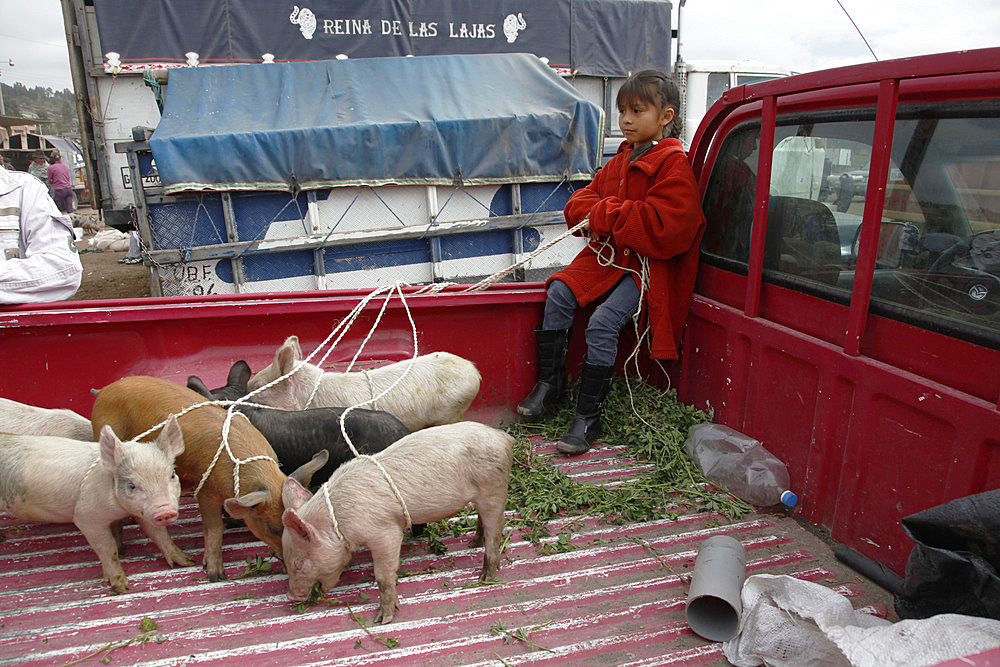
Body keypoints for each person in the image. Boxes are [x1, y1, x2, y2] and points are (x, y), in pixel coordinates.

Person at [516, 69, 706, 455]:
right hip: (608, 259)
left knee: (603, 324)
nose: (626, 120)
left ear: (665, 117)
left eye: (637, 111)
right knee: (558, 292)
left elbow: (665, 228)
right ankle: (550, 383)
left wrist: (607, 214)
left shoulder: (674, 165)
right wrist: (614, 214)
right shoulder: (619, 160)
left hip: (649, 269)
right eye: (622, 111)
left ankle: (588, 415)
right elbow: (577, 207)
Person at [0, 164, 83, 304]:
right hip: (63, 190)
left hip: (59, 191)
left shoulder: (24, 190)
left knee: (68, 208)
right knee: (68, 207)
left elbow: (64, 268)